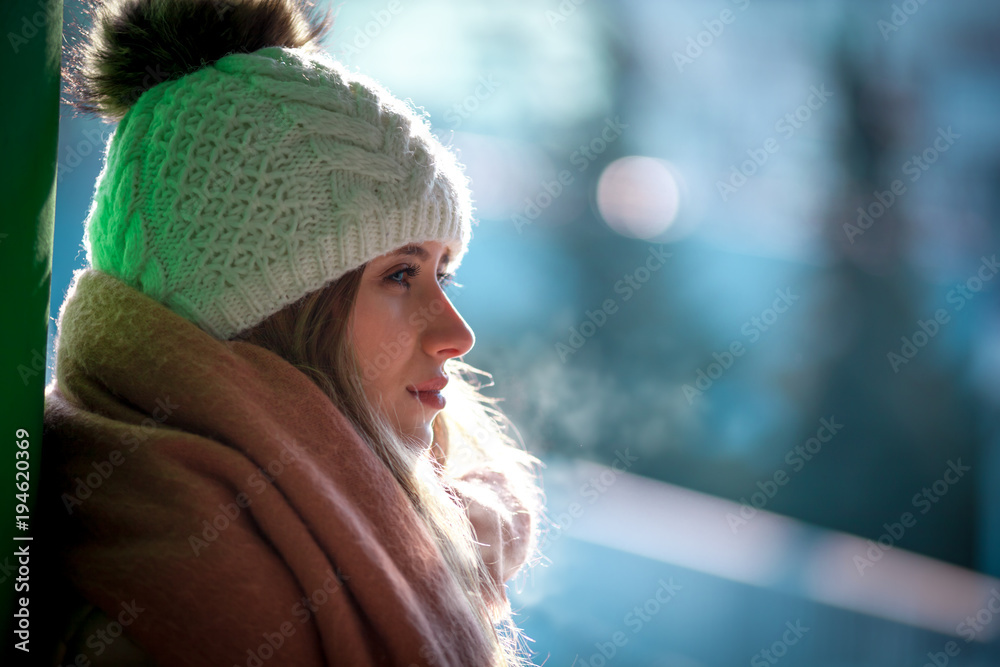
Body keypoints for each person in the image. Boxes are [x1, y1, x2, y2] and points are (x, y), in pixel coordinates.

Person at [39, 0, 547, 664]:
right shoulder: (159, 614)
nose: (458, 334)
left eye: (442, 275)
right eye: (400, 274)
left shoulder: (431, 505)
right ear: (274, 315)